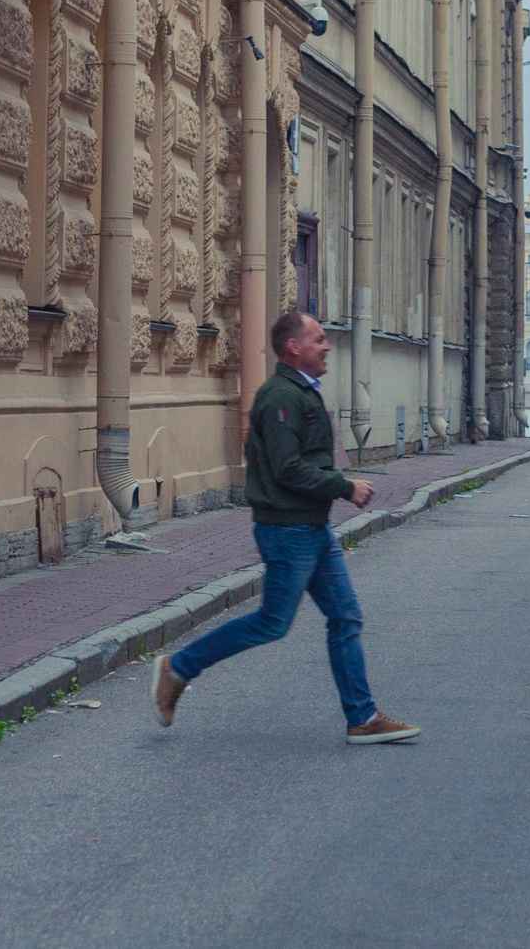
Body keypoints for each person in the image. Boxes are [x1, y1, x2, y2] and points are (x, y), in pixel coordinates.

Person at [152, 310, 419, 745]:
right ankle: (177, 668)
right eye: (317, 339)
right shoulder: (280, 396)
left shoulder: (299, 391)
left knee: (345, 616)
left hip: (311, 529)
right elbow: (287, 468)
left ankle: (362, 717)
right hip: (288, 530)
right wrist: (343, 487)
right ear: (293, 347)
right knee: (272, 623)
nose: (327, 345)